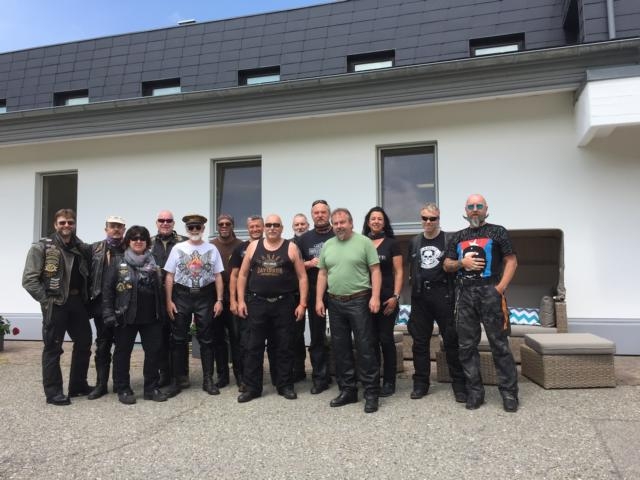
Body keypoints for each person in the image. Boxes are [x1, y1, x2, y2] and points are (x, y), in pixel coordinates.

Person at [443, 194, 519, 412]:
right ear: (465, 211)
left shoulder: (498, 231)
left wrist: (500, 288)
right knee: (466, 347)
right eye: (470, 206)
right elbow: (447, 265)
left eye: (478, 206)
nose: (474, 209)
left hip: (490, 292)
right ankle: (475, 392)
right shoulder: (458, 236)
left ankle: (509, 394)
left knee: (499, 345)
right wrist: (462, 262)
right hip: (464, 295)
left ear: (486, 209)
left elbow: (511, 261)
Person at [22, 208, 93, 406]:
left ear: (74, 224)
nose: (66, 226)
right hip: (55, 303)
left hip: (77, 302)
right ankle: (53, 393)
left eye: (70, 222)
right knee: (53, 348)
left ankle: (78, 385)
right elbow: (29, 280)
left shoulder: (81, 248)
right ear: (55, 225)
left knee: (85, 342)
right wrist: (46, 301)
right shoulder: (41, 248)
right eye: (62, 222)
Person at [236, 214, 308, 403]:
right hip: (257, 303)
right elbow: (242, 275)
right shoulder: (253, 246)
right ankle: (252, 388)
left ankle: (285, 385)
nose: (272, 228)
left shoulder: (291, 247)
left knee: (284, 346)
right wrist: (241, 301)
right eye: (269, 225)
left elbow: (302, 277)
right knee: (253, 347)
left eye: (276, 225)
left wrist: (302, 304)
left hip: (284, 304)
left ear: (282, 228)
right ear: (264, 228)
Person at [316, 208, 381, 413]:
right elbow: (322, 274)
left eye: (342, 222)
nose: (339, 226)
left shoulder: (364, 242)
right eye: (335, 223)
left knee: (365, 347)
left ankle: (371, 392)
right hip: (334, 302)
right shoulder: (328, 245)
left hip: (359, 301)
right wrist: (318, 299)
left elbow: (375, 271)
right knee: (340, 348)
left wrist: (375, 297)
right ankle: (348, 390)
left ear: (351, 223)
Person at [102, 226, 168, 404]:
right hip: (126, 315)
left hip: (151, 316)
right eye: (134, 238)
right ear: (128, 241)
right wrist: (108, 313)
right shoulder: (118, 261)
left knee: (153, 353)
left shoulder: (154, 262)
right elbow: (108, 289)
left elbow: (161, 289)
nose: (138, 241)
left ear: (147, 242)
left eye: (142, 238)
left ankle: (151, 388)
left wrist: (162, 312)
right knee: (123, 353)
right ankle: (123, 389)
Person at [407, 203, 466, 402]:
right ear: (421, 219)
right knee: (419, 343)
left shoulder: (450, 239)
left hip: (444, 295)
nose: (428, 222)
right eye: (425, 218)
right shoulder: (415, 242)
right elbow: (413, 269)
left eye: (432, 218)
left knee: (451, 341)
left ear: (439, 219)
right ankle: (420, 384)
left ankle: (459, 385)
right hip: (420, 297)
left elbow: (456, 265)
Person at [164, 214, 224, 397]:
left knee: (207, 339)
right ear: (187, 229)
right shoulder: (178, 248)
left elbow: (218, 276)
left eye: (198, 227)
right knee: (178, 339)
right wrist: (169, 301)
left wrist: (219, 300)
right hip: (182, 295)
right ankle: (177, 380)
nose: (195, 230)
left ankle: (208, 380)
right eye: (191, 227)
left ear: (203, 229)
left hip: (205, 296)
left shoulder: (211, 249)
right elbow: (169, 276)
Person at [362, 206, 403, 397]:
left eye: (379, 218)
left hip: (387, 299)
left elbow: (399, 272)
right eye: (373, 218)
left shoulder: (392, 244)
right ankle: (373, 380)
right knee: (370, 341)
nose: (376, 221)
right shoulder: (361, 242)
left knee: (385, 339)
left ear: (384, 222)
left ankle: (389, 381)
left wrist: (395, 296)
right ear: (368, 222)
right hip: (365, 299)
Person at [295, 199, 335, 394]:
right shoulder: (303, 239)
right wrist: (309, 264)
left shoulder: (338, 233)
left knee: (340, 335)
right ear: (312, 216)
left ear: (329, 214)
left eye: (323, 212)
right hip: (313, 294)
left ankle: (343, 375)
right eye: (316, 213)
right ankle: (320, 378)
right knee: (317, 337)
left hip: (337, 292)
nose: (320, 215)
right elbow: (295, 266)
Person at [86, 215, 127, 400]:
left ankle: (119, 383)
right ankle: (101, 384)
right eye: (112, 226)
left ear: (124, 229)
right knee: (103, 345)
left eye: (119, 226)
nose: (116, 229)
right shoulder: (94, 249)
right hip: (101, 304)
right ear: (106, 229)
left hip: (124, 304)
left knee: (122, 345)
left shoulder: (130, 248)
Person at [150, 210, 187, 389]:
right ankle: (164, 374)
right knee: (161, 336)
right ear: (156, 223)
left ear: (173, 223)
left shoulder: (184, 242)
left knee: (179, 336)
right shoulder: (148, 242)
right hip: (155, 296)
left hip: (180, 295)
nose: (165, 223)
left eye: (168, 220)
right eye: (161, 220)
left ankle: (181, 375)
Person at [228, 215, 266, 391]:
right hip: (246, 300)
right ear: (248, 228)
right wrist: (234, 300)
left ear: (263, 227)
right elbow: (235, 276)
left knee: (267, 342)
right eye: (252, 227)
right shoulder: (240, 249)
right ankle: (244, 379)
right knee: (245, 342)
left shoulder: (271, 246)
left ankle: (274, 378)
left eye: (258, 226)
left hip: (265, 301)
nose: (255, 229)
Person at [210, 214, 243, 388]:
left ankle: (240, 375)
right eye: (220, 224)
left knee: (237, 338)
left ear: (232, 225)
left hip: (234, 299)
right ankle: (222, 376)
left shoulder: (241, 246)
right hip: (215, 299)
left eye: (227, 223)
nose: (224, 226)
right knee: (218, 339)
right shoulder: (210, 246)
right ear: (217, 226)